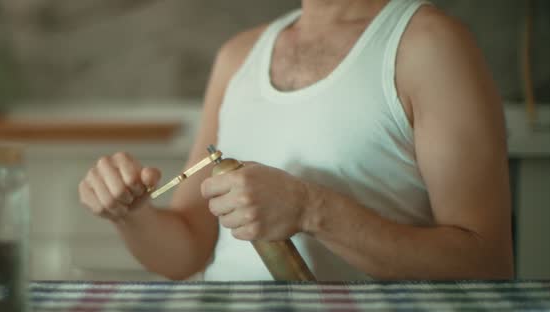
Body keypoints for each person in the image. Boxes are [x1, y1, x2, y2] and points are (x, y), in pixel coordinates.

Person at [77, 0, 514, 281]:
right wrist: (131, 216)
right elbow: (186, 252)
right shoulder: (238, 55)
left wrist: (312, 209)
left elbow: (486, 263)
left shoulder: (430, 45)